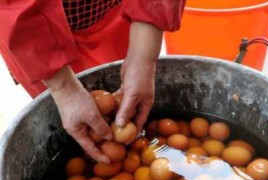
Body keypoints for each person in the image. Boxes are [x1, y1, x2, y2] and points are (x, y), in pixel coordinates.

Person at [0, 0, 186, 163]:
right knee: (74, 122)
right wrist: (64, 89)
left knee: (121, 103)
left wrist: (143, 57)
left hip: (110, 13)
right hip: (30, 34)